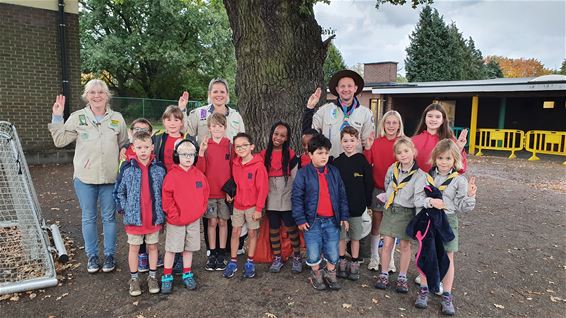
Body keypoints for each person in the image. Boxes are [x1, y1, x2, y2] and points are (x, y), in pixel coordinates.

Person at [49, 79, 128, 273]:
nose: (97, 95)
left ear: (107, 95)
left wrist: (124, 150)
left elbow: (124, 142)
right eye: (92, 92)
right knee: (89, 218)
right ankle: (92, 257)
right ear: (87, 95)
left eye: (101, 92)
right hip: (85, 178)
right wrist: (57, 117)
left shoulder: (117, 118)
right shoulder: (78, 117)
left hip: (110, 177)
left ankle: (109, 256)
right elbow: (60, 141)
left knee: (109, 218)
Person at [178, 78, 246, 256]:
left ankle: (226, 248)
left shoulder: (236, 116)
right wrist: (182, 110)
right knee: (210, 216)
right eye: (215, 91)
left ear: (227, 95)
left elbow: (241, 141)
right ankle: (211, 248)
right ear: (209, 95)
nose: (219, 94)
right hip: (206, 170)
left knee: (227, 213)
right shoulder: (199, 114)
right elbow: (186, 131)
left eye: (222, 91)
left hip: (229, 170)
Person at [413, 139, 477, 315]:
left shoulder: (459, 181)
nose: (444, 162)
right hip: (429, 221)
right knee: (426, 255)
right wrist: (430, 201)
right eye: (440, 158)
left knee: (448, 258)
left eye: (448, 158)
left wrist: (470, 196)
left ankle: (447, 295)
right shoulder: (426, 177)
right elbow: (417, 199)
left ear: (455, 160)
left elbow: (462, 207)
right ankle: (424, 289)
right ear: (435, 158)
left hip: (448, 222)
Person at [292, 133, 349, 291]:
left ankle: (331, 273)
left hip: (332, 220)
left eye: (326, 153)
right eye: (319, 153)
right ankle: (316, 274)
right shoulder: (303, 174)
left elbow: (342, 195)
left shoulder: (334, 172)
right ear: (310, 154)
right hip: (312, 221)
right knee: (313, 250)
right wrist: (300, 219)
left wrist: (344, 216)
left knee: (332, 248)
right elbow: (297, 197)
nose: (324, 156)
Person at [114, 131, 166, 296]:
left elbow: (165, 192)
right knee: (134, 248)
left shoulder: (159, 169)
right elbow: (119, 192)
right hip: (134, 219)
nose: (143, 150)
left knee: (152, 247)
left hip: (153, 217)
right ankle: (134, 279)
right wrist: (124, 208)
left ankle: (152, 276)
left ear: (152, 147)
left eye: (146, 147)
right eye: (139, 147)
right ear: (133, 148)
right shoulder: (127, 169)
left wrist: (163, 212)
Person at [373, 137, 424, 294]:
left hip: (407, 213)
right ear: (396, 155)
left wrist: (418, 218)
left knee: (404, 245)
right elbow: (387, 184)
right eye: (399, 152)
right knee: (387, 244)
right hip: (391, 210)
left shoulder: (419, 175)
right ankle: (384, 273)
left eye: (406, 151)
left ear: (413, 152)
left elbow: (419, 199)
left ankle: (402, 276)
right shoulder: (392, 169)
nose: (403, 155)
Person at [161, 138, 210, 293]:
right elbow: (167, 198)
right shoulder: (172, 175)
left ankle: (187, 273)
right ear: (177, 156)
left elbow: (204, 193)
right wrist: (174, 215)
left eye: (191, 154)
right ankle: (167, 276)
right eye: (184, 154)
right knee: (172, 248)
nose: (188, 157)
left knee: (189, 248)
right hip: (176, 220)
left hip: (193, 220)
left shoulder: (199, 175)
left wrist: (200, 211)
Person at [363, 110, 405, 272]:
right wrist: (368, 147)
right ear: (383, 124)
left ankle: (390, 258)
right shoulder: (377, 142)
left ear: (399, 125)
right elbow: (367, 163)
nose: (391, 126)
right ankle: (374, 257)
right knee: (377, 224)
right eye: (388, 122)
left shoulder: (402, 143)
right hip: (378, 188)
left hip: (396, 191)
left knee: (392, 226)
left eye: (395, 122)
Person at [223, 133, 269, 279]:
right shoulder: (235, 164)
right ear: (234, 149)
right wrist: (231, 193)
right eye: (238, 146)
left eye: (244, 145)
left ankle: (249, 261)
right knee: (235, 232)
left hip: (252, 207)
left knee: (252, 233)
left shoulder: (258, 166)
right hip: (238, 205)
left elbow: (263, 189)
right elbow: (235, 182)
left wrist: (259, 209)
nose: (241, 148)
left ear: (251, 147)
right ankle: (233, 261)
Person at [331, 126, 373, 281]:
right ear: (341, 142)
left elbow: (368, 184)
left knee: (355, 237)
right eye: (345, 140)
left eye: (352, 140)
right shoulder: (337, 162)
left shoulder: (362, 161)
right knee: (341, 237)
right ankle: (341, 260)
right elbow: (333, 186)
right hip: (341, 210)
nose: (349, 143)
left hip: (357, 208)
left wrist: (367, 204)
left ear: (357, 141)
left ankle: (354, 262)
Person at [260, 121, 302, 274]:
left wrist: (296, 196)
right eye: (276, 133)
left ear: (287, 138)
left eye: (282, 135)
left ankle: (297, 256)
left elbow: (296, 177)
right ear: (271, 134)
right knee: (274, 227)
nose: (278, 137)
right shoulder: (264, 155)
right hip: (270, 194)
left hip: (287, 193)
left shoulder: (290, 155)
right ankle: (277, 257)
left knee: (291, 226)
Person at [303, 70, 374, 158]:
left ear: (355, 88)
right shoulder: (325, 110)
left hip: (354, 165)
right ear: (337, 89)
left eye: (349, 86)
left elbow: (368, 145)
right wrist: (310, 107)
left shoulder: (366, 113)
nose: (346, 89)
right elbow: (308, 132)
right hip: (330, 164)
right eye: (342, 86)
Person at [196, 113, 233, 271]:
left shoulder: (229, 145)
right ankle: (212, 253)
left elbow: (233, 169)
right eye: (214, 126)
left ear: (224, 128)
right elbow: (200, 170)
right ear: (209, 128)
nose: (217, 129)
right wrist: (202, 153)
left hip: (224, 193)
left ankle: (222, 252)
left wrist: (231, 190)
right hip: (210, 193)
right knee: (212, 222)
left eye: (220, 126)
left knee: (223, 222)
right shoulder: (205, 145)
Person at [412, 103, 468, 173]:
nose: (433, 119)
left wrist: (459, 148)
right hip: (418, 182)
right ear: (424, 118)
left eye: (438, 117)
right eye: (430, 116)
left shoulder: (450, 141)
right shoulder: (413, 141)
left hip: (442, 182)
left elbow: (461, 169)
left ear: (443, 120)